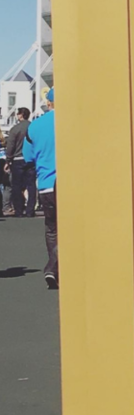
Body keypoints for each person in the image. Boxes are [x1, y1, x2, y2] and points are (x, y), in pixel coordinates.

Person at [24, 91, 57, 288]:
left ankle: (53, 268)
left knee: (52, 228)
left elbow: (28, 157)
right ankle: (54, 268)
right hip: (71, 185)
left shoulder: (35, 126)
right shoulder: (77, 121)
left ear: (49, 102)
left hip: (46, 184)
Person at [5, 107, 36, 218]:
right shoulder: (33, 127)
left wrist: (8, 160)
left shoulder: (15, 129)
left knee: (16, 186)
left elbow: (10, 146)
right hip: (31, 159)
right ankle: (30, 210)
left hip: (17, 159)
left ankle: (18, 210)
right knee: (31, 185)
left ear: (21, 115)